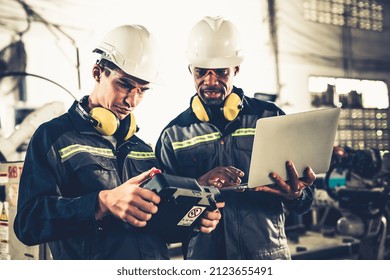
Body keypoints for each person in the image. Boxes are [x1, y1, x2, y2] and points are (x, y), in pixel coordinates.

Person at [13, 24, 221, 260]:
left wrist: (193, 220)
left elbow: (157, 228)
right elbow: (28, 224)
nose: (132, 100)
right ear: (97, 73)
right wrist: (101, 203)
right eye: (124, 84)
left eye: (142, 90)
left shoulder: (141, 149)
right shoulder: (53, 137)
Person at [155, 16, 316, 260]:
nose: (210, 81)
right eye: (201, 72)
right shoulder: (173, 135)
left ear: (236, 69)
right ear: (191, 70)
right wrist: (198, 187)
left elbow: (304, 201)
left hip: (266, 258)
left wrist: (297, 195)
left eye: (221, 72)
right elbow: (163, 217)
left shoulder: (270, 118)